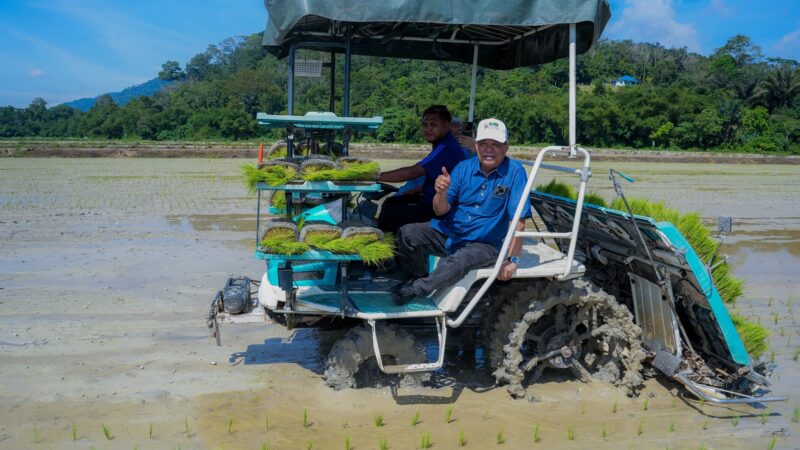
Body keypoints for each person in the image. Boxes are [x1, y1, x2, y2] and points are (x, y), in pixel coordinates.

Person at [393, 118, 531, 304]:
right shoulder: (463, 168)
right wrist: (440, 193)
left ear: (506, 147)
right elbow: (440, 211)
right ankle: (418, 277)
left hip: (485, 243)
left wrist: (512, 259)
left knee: (462, 259)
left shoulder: (515, 171)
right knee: (408, 233)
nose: (489, 149)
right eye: (483, 144)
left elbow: (519, 220)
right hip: (451, 233)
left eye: (495, 144)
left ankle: (417, 289)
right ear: (476, 146)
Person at [377, 105, 467, 232]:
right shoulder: (443, 144)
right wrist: (419, 189)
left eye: (433, 125)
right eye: (425, 125)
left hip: (442, 208)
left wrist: (375, 176)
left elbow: (413, 172)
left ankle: (396, 249)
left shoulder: (445, 148)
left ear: (447, 126)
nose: (428, 129)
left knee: (391, 215)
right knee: (391, 202)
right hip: (429, 198)